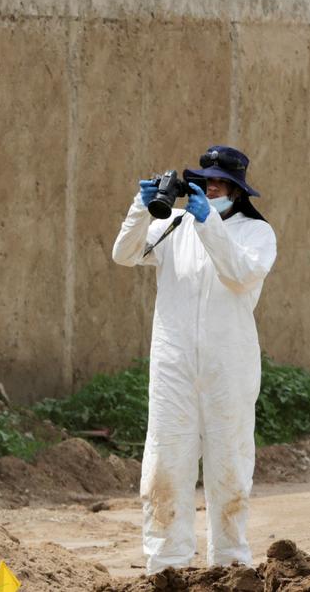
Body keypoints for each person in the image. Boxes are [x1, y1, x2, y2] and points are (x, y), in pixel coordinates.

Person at [111, 145, 277, 572]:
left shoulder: (257, 234)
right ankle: (167, 569)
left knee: (230, 470)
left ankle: (231, 566)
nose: (213, 187)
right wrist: (141, 209)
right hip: (174, 367)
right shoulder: (173, 226)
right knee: (164, 466)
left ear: (238, 189)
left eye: (222, 182)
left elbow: (239, 275)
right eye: (207, 180)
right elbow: (124, 254)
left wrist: (208, 225)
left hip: (228, 369)